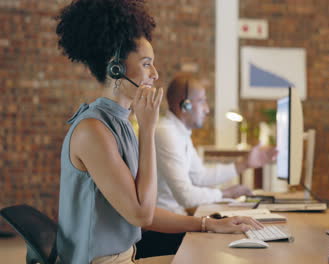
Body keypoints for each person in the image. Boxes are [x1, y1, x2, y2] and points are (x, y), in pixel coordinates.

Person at [55, 1, 262, 263]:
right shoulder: (93, 131)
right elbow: (141, 216)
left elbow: (147, 210)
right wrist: (148, 128)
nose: (155, 73)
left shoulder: (121, 124)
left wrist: (208, 223)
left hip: (128, 256)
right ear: (115, 68)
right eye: (146, 64)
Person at [134, 73, 277, 258]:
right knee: (223, 246)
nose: (207, 109)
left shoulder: (180, 132)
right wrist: (224, 193)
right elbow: (186, 196)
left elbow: (200, 176)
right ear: (185, 105)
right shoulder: (166, 133)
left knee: (230, 237)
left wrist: (244, 164)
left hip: (173, 223)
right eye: (201, 101)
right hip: (158, 231)